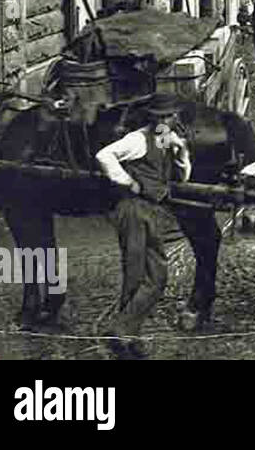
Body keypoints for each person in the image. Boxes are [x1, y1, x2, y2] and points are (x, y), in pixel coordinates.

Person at [94, 93, 192, 359]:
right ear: (155, 117)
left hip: (153, 211)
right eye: (162, 117)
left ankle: (122, 328)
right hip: (134, 210)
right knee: (135, 273)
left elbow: (180, 176)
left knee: (158, 277)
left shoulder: (163, 136)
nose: (167, 121)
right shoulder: (137, 139)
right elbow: (104, 155)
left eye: (169, 117)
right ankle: (127, 334)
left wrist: (180, 152)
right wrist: (127, 181)